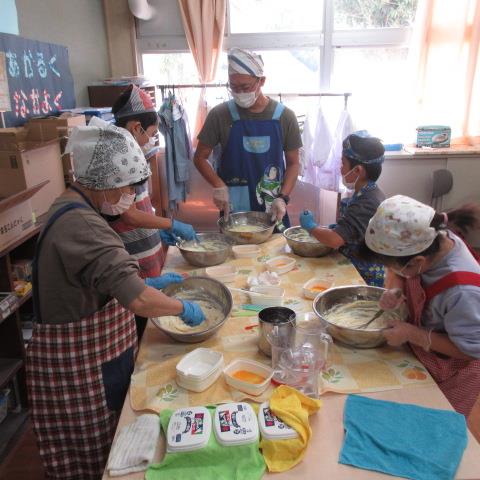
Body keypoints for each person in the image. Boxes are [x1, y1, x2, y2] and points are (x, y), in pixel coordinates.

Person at [27, 123, 205, 479]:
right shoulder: (85, 226)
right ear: (104, 182)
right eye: (128, 185)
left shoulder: (69, 203)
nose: (130, 193)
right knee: (96, 459)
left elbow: (94, 277)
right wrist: (181, 307)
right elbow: (139, 301)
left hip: (83, 351)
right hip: (81, 368)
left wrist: (148, 280)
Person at [359, 195, 480, 416]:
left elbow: (472, 349)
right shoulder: (429, 238)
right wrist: (395, 287)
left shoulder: (463, 292)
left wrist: (414, 334)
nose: (391, 269)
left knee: (433, 426)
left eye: (394, 266)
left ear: (417, 263)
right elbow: (400, 268)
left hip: (451, 376)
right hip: (420, 359)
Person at [110, 84, 197, 339]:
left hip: (147, 253)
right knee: (141, 327)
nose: (152, 140)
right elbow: (128, 214)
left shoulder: (133, 154)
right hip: (133, 263)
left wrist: (157, 234)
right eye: (151, 133)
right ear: (136, 128)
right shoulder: (120, 160)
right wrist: (169, 224)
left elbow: (141, 204)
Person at [193, 47, 302, 228]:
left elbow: (293, 163)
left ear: (261, 81)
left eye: (245, 87)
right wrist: (218, 185)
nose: (239, 93)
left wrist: (283, 198)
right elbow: (200, 157)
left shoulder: (285, 117)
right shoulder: (220, 115)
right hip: (235, 208)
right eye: (233, 87)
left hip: (272, 206)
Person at [300, 131, 386, 286]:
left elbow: (334, 240)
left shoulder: (367, 202)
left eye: (343, 163)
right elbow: (353, 229)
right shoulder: (367, 192)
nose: (340, 169)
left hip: (363, 275)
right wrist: (339, 228)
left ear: (358, 170)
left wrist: (311, 226)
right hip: (354, 261)